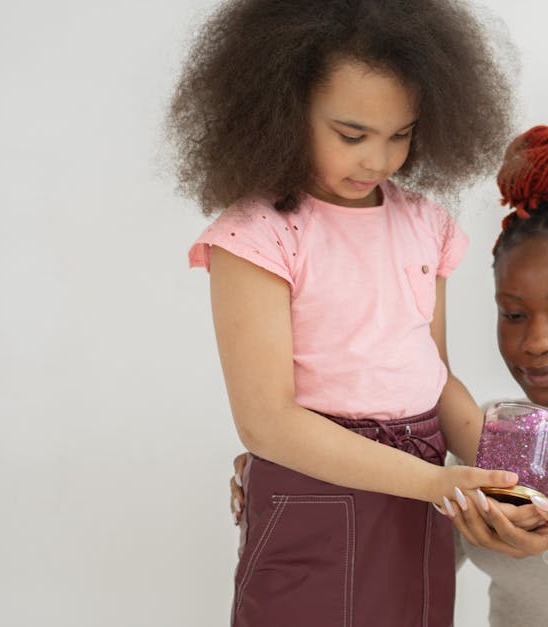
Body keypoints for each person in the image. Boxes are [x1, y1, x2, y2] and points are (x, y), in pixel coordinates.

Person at [231, 125, 548, 626]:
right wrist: (299, 473)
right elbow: (406, 548)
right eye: (513, 314)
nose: (536, 341)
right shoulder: (488, 432)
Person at [168, 1, 525, 624]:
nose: (378, 160)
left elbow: (435, 378)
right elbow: (267, 423)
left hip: (419, 502)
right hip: (315, 497)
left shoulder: (423, 224)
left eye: (401, 134)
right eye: (352, 135)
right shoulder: (259, 235)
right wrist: (437, 484)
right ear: (284, 108)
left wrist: (507, 475)